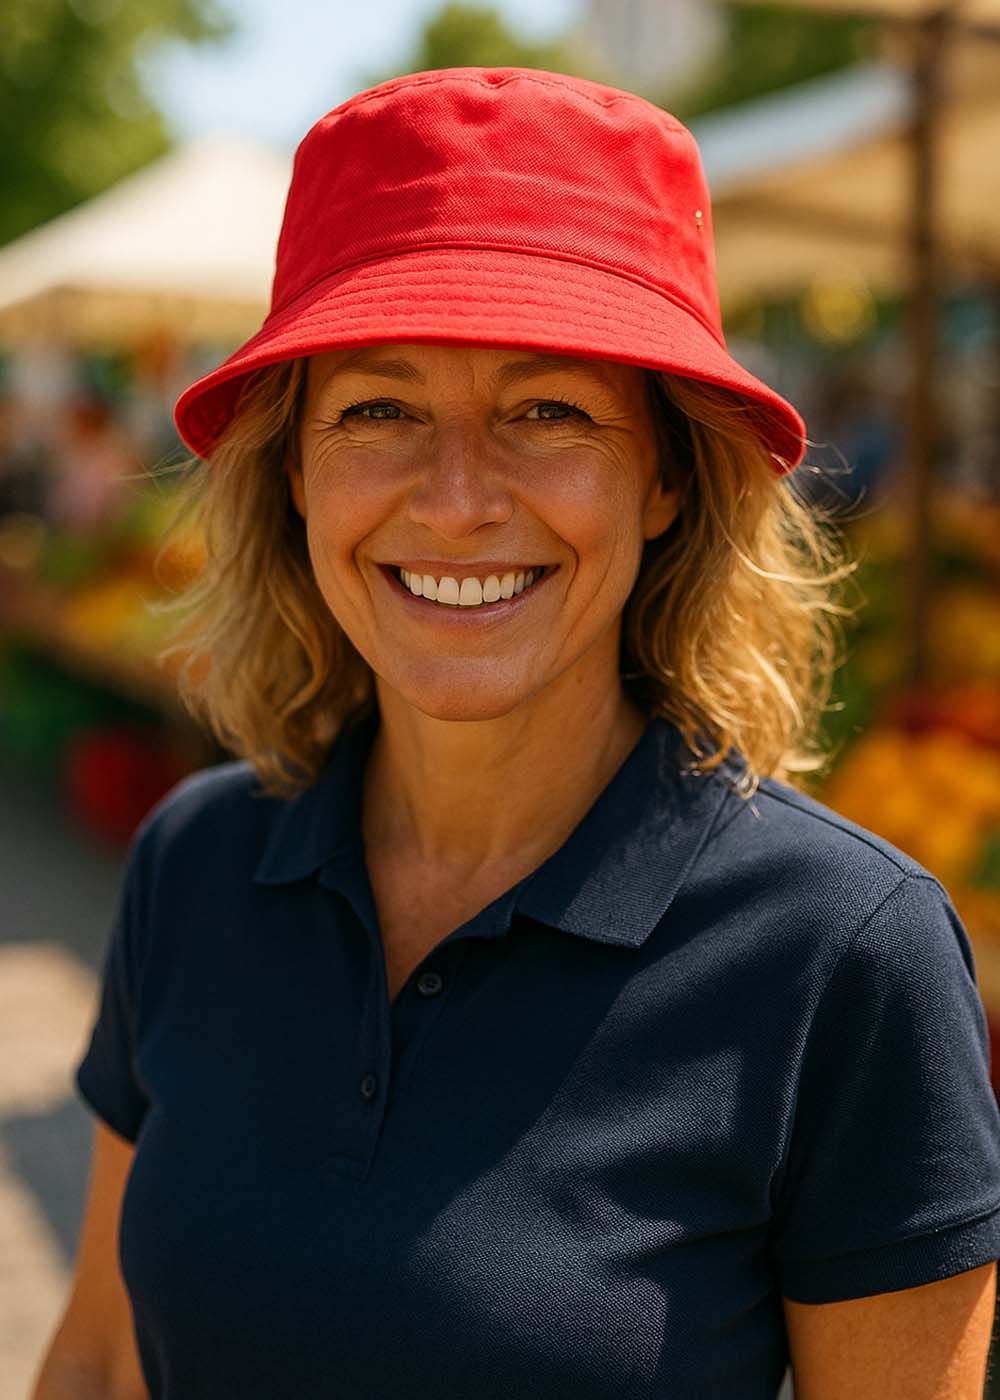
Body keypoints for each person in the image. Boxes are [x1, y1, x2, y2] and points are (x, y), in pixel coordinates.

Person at [33, 66, 1000, 1400]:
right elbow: (95, 1362)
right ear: (295, 471)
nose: (459, 500)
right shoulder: (194, 864)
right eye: (379, 410)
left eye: (549, 411)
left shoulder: (843, 953)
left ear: (666, 475)